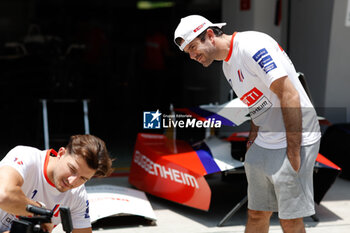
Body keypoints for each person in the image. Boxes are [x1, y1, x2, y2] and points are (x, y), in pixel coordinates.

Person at [174, 15, 321, 233]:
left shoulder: (252, 46)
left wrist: (294, 149)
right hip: (265, 140)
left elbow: (290, 95)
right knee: (256, 214)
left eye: (194, 47)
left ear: (211, 35)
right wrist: (253, 136)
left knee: (290, 220)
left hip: (296, 138)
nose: (193, 56)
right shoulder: (227, 65)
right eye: (189, 52)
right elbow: (257, 101)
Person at [0, 134, 113, 233]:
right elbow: (3, 196)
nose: (72, 182)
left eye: (83, 178)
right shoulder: (26, 156)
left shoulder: (77, 194)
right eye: (72, 169)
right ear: (61, 153)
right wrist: (41, 213)